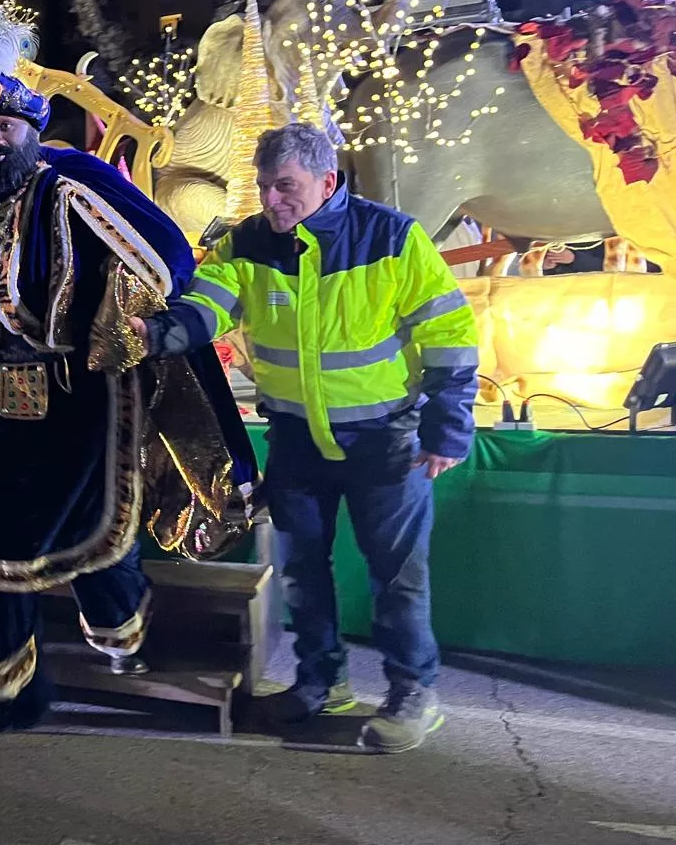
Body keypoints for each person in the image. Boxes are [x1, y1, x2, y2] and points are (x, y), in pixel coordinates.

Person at [0, 66, 255, 754]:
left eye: (6, 127)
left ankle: (121, 634)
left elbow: (167, 256)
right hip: (2, 395)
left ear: (30, 132)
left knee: (94, 524)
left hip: (83, 391)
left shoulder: (71, 185)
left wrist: (129, 317)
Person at [137, 122, 478, 753]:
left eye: (286, 186)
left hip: (387, 442)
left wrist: (449, 427)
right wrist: (157, 332)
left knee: (396, 577)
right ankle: (322, 682)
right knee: (301, 573)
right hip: (296, 441)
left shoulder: (393, 238)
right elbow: (207, 306)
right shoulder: (245, 243)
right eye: (265, 186)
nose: (272, 200)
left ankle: (413, 693)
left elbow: (449, 334)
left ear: (327, 181)